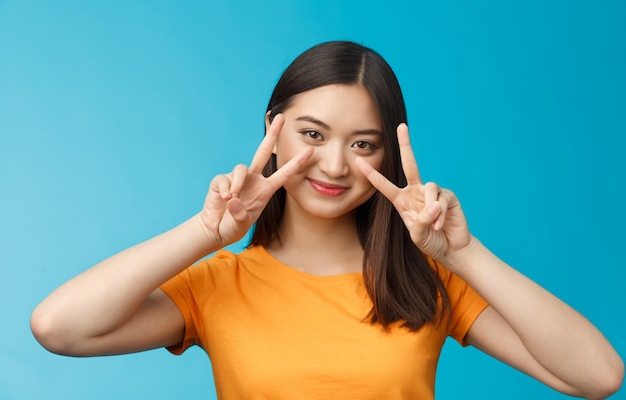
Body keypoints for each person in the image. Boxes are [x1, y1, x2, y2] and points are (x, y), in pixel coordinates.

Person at [31, 41, 623, 399]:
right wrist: (205, 234)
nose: (335, 165)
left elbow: (597, 376)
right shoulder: (218, 286)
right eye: (313, 135)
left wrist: (462, 255)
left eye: (363, 144)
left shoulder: (427, 284)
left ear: (388, 155)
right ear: (273, 127)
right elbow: (59, 327)